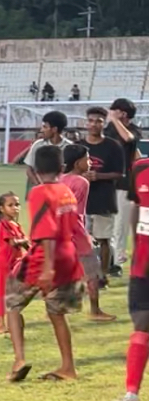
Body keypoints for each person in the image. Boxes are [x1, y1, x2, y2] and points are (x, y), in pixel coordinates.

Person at [5, 146, 84, 382]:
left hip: (44, 258)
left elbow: (47, 232)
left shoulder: (40, 192)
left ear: (36, 170)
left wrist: (48, 268)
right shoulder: (66, 191)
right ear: (62, 168)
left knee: (11, 302)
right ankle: (68, 367)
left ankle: (19, 359)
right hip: (69, 256)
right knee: (57, 314)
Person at [62, 143, 115, 322]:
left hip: (61, 233)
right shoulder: (81, 182)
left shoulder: (60, 179)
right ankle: (95, 310)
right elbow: (76, 211)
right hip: (76, 232)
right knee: (92, 272)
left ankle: (58, 308)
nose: (90, 161)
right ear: (78, 163)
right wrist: (85, 234)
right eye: (87, 158)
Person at [115, 155, 149, 401]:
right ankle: (131, 395)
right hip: (144, 265)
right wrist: (137, 249)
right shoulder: (140, 168)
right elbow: (137, 208)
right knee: (142, 324)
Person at [81, 107, 125, 281]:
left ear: (104, 124)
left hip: (104, 199)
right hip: (81, 200)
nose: (94, 124)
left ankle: (103, 276)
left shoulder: (113, 146)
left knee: (103, 239)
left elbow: (120, 173)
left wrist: (98, 176)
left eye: (98, 121)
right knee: (81, 240)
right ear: (86, 122)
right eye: (91, 120)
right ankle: (84, 274)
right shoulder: (78, 146)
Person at [104, 98, 142, 275]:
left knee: (120, 225)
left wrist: (115, 120)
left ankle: (117, 262)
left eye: (114, 110)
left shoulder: (133, 131)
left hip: (125, 184)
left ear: (123, 114)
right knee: (107, 224)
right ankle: (108, 259)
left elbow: (129, 139)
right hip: (107, 182)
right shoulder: (109, 130)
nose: (110, 113)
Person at [0, 192, 26, 334]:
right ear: (1, 209)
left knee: (12, 292)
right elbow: (13, 242)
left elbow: (25, 244)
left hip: (15, 264)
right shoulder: (4, 225)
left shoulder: (16, 224)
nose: (15, 208)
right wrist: (26, 241)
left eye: (17, 204)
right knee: (1, 293)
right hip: (4, 263)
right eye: (10, 205)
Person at [25, 110, 71, 195]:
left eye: (45, 127)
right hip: (38, 192)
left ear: (54, 129)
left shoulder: (68, 147)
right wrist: (41, 186)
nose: (42, 130)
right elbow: (29, 169)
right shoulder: (38, 144)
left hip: (60, 193)